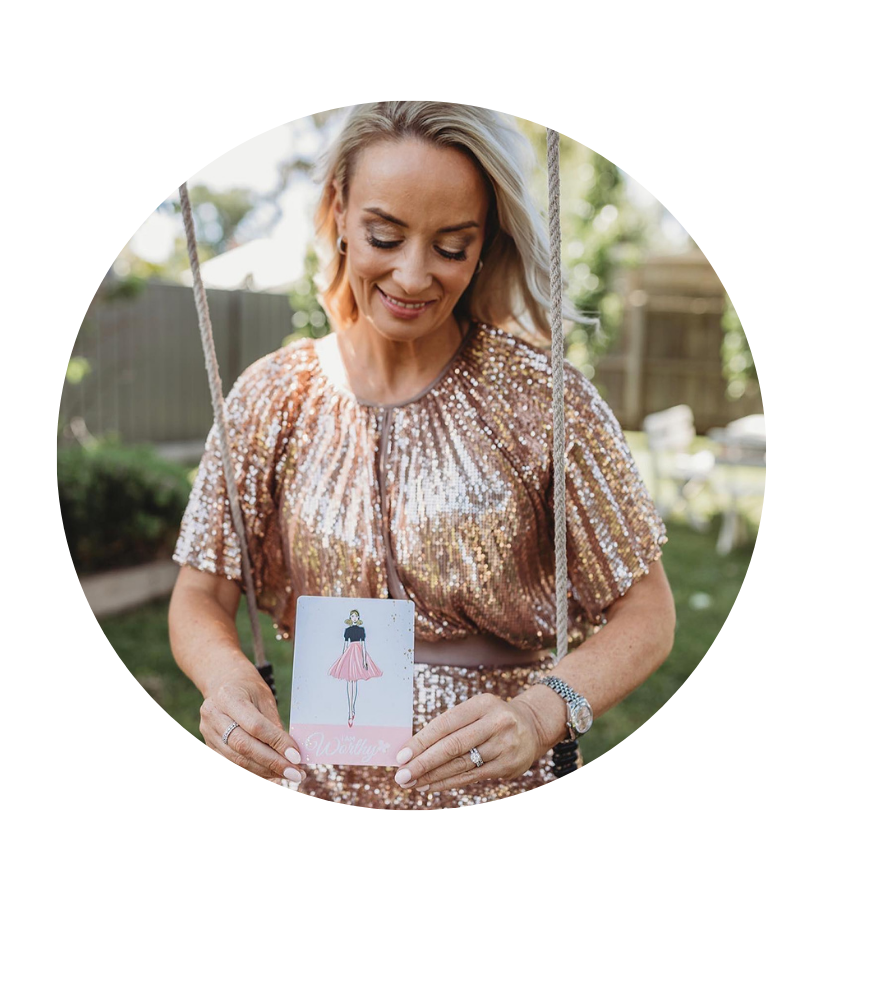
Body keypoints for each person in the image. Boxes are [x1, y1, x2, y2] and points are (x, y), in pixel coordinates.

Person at [168, 101, 676, 808]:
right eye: (385, 235)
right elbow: (200, 593)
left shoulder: (545, 399)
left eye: (451, 247)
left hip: (501, 789)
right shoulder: (271, 396)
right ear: (339, 211)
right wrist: (226, 678)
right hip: (312, 786)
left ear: (487, 242)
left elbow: (648, 612)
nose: (412, 277)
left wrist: (542, 713)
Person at [327, 609, 383, 727]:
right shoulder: (347, 630)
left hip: (358, 654)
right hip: (349, 653)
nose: (354, 618)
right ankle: (350, 710)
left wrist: (364, 660)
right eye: (352, 616)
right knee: (350, 681)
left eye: (355, 616)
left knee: (354, 681)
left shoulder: (361, 630)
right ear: (350, 618)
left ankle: (352, 708)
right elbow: (345, 645)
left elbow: (363, 645)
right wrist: (342, 659)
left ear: (358, 618)